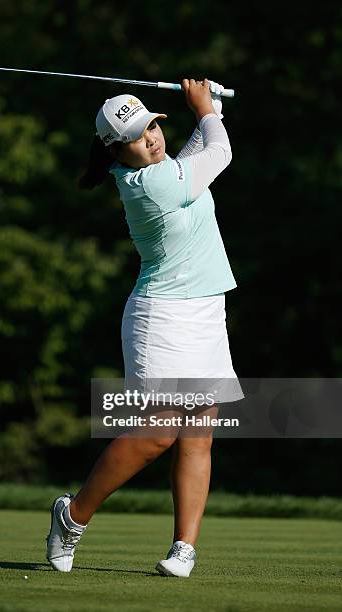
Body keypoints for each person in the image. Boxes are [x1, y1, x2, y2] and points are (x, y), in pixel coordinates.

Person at [46, 78, 243, 578]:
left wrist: (208, 110)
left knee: (199, 434)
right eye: (138, 135)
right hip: (164, 317)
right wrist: (205, 110)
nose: (152, 137)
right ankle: (72, 516)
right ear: (116, 148)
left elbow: (197, 154)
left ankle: (183, 548)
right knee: (158, 433)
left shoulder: (165, 171)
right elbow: (217, 154)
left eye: (153, 124)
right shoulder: (150, 184)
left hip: (205, 311)